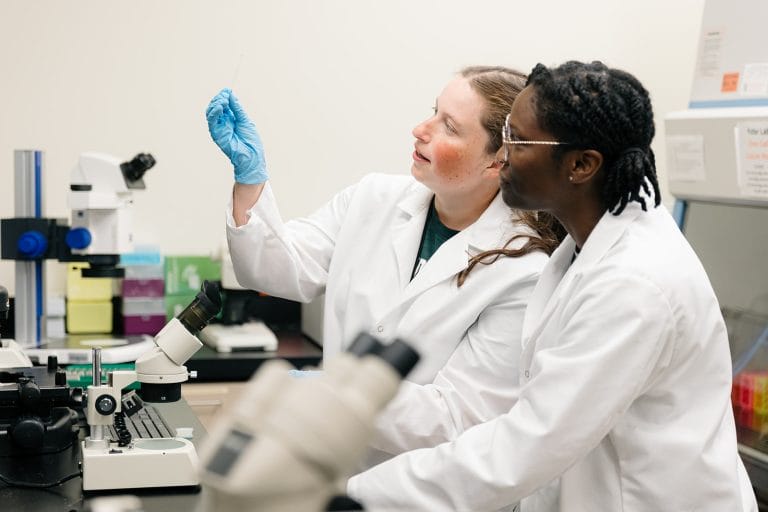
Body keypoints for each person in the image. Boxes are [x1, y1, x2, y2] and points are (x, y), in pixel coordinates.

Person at [346, 60, 759, 511]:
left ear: (581, 165)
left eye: (517, 141)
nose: (501, 155)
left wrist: (351, 495)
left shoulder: (635, 285)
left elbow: (524, 449)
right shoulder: (588, 246)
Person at [205, 67, 563, 464]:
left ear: (498, 161)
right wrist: (250, 180)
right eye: (433, 111)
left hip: (424, 490)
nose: (420, 129)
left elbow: (459, 414)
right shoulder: (374, 199)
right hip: (333, 469)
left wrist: (338, 394)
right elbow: (278, 269)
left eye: (449, 126)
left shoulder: (522, 270)